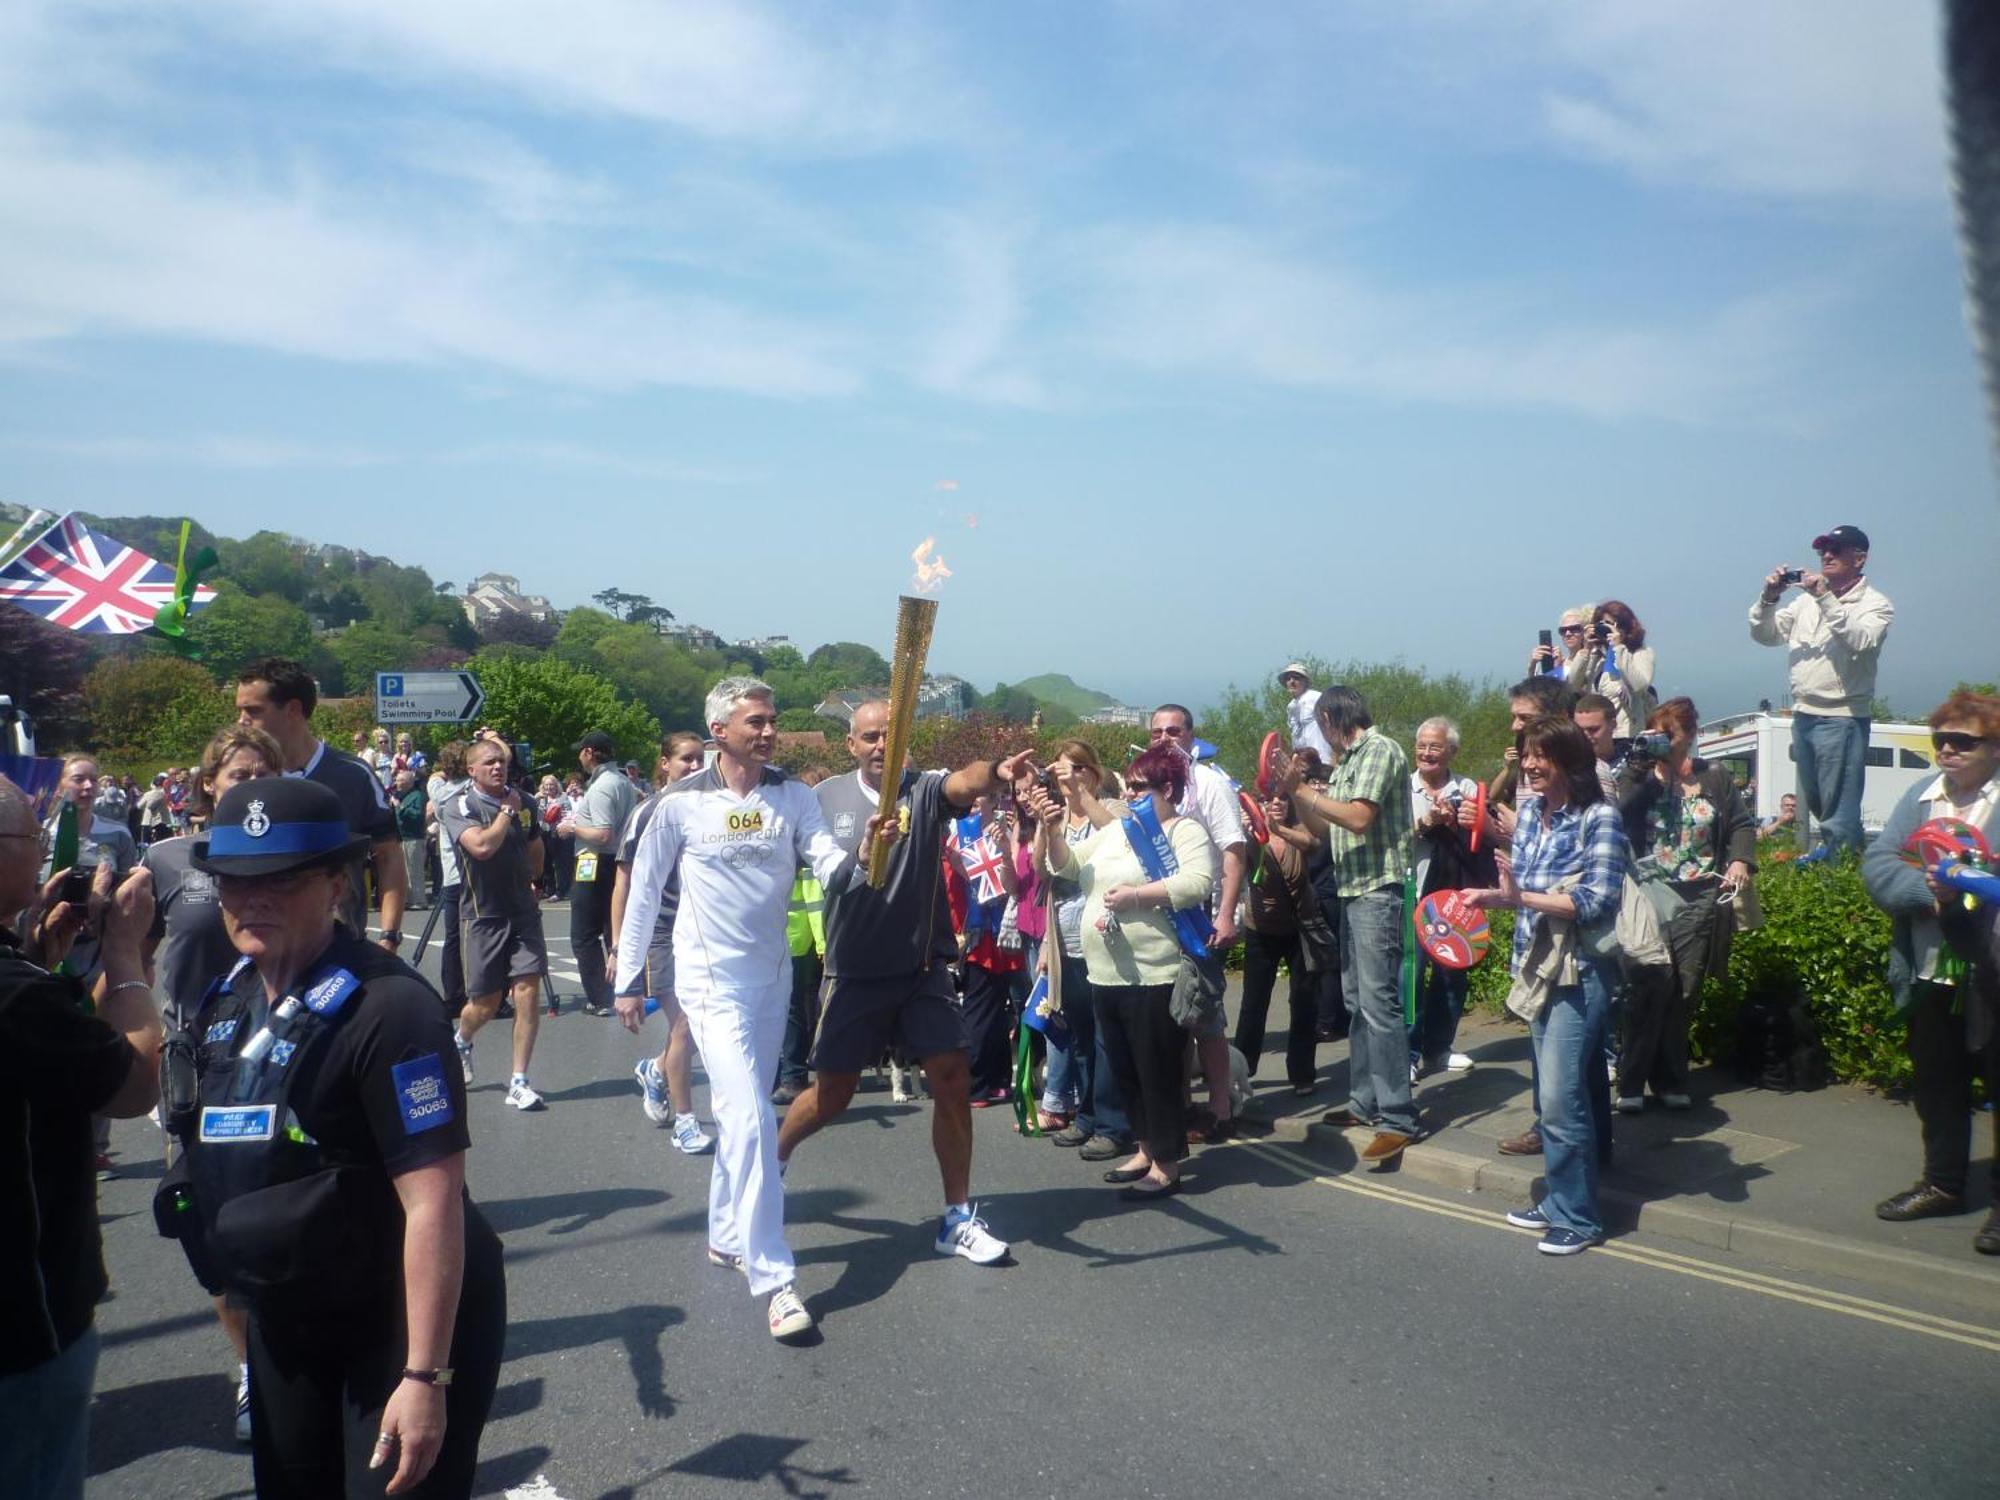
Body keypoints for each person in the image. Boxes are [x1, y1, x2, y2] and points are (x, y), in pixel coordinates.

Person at [166, 778, 505, 1496]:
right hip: (289, 1313)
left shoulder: (391, 1009)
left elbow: (433, 1202)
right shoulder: (232, 996)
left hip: (393, 1322)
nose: (252, 897)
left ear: (335, 884)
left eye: (281, 880)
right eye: (233, 881)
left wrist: (425, 1377)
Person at [615, 677, 860, 1341]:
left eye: (773, 719)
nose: (769, 730)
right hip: (708, 981)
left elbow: (828, 860)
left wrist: (869, 855)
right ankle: (774, 1277)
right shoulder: (677, 805)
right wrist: (629, 975)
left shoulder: (793, 795)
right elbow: (644, 892)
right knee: (752, 1117)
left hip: (770, 977)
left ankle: (726, 1234)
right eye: (756, 721)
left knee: (741, 1109)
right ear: (719, 731)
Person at [779, 699, 1034, 1262]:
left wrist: (996, 772)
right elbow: (821, 863)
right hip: (854, 969)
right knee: (832, 1094)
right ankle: (773, 1163)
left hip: (922, 967)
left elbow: (965, 784)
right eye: (868, 737)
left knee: (951, 1076)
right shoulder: (825, 800)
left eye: (888, 738)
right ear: (851, 744)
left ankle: (956, 1218)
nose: (879, 747)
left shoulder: (923, 789)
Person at [0, 778, 162, 1500]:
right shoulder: (18, 996)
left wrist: (39, 957)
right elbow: (133, 1086)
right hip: (23, 1328)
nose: (45, 860)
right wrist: (125, 952)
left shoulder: (24, 982)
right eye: (34, 840)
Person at [141, 723, 284, 1443]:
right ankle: (253, 1368)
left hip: (280, 1060)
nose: (246, 786)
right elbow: (128, 955)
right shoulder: (166, 860)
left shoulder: (296, 853)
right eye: (234, 776)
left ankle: (300, 1357)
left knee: (288, 1212)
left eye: (262, 775)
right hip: (194, 1075)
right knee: (211, 1230)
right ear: (207, 786)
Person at [1464, 717, 1629, 1255]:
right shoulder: (1532, 813)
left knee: (1561, 1100)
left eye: (1541, 756)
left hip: (1579, 972)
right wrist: (1499, 893)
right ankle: (1559, 1201)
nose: (1530, 766)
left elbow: (1596, 901)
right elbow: (1529, 885)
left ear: (1570, 760)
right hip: (1536, 966)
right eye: (1525, 754)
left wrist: (1517, 899)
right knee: (1555, 1097)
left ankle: (1579, 1218)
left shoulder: (1600, 817)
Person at [1037, 743, 1216, 1199]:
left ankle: (1168, 1163)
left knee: (1156, 1073)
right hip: (1105, 972)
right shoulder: (1119, 831)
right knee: (1126, 1071)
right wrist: (1051, 829)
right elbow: (1070, 866)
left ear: (1168, 788)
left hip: (1152, 973)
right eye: (1130, 787)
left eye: (1141, 788)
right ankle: (1144, 1148)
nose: (1132, 795)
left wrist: (1139, 897)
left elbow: (1197, 883)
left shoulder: (1183, 830)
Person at [1860, 690, 2000, 1253]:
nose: (1947, 749)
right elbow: (1877, 863)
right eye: (1939, 739)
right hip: (1930, 969)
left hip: (1992, 970)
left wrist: (1977, 886)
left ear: (1994, 747)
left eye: (1962, 741)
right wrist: (1929, 890)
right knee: (1937, 1084)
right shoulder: (1921, 796)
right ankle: (1942, 1184)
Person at [1280, 686, 1420, 1162]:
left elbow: (1359, 818)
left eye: (1321, 724)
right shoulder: (1345, 764)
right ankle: (1364, 1101)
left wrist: (1302, 790)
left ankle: (1398, 1114)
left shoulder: (1379, 750)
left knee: (1380, 1005)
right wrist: (1288, 805)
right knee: (1358, 1002)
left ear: (1333, 717)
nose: (1320, 734)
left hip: (1379, 890)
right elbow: (1321, 833)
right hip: (1353, 889)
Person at [1612, 696, 1755, 1113]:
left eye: (1670, 736)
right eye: (1657, 735)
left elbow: (1742, 823)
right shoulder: (1639, 776)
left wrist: (1741, 859)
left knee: (1683, 990)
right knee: (1648, 984)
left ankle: (1672, 1078)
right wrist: (1644, 771)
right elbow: (1617, 815)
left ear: (1690, 735)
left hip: (1700, 893)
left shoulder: (1715, 777)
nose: (1664, 743)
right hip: (1649, 893)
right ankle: (1632, 1081)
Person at [234, 657, 407, 955]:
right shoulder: (240, 779)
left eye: (253, 711)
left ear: (293, 710)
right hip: (259, 950)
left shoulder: (353, 775)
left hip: (339, 949)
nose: (241, 721)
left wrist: (389, 937)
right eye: (239, 710)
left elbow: (389, 857)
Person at [1749, 524, 1894, 855]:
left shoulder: (1876, 604)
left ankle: (1840, 884)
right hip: (1805, 714)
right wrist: (1768, 598)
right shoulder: (1805, 603)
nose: (1826, 556)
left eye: (1835, 550)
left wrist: (1825, 598)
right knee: (1818, 804)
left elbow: (1862, 642)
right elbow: (1766, 635)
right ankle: (1846, 868)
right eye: (1822, 551)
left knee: (1838, 814)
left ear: (1859, 558)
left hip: (1843, 717)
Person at [1032, 742, 1138, 1162]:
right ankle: (1089, 1115)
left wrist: (1082, 797)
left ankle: (1115, 1125)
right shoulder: (1059, 814)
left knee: (1106, 1037)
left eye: (1078, 767)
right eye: (1064, 768)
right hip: (1067, 941)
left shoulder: (1112, 808)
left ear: (1093, 773)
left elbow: (1121, 835)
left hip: (1105, 939)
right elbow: (1044, 871)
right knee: (1078, 1035)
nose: (1069, 775)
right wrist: (1046, 824)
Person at [611, 733, 715, 1156]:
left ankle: (656, 1070)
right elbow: (624, 883)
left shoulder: (712, 806)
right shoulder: (648, 811)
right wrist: (620, 949)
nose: (694, 767)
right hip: (659, 931)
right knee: (685, 1024)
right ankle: (686, 1123)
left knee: (699, 1028)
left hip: (703, 932)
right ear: (664, 764)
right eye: (686, 760)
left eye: (699, 760)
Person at [1147, 704, 1247, 1141]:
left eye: (1173, 730)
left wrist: (1225, 912)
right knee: (1173, 1015)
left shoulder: (1209, 783)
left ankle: (1220, 1107)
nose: (1165, 738)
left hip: (1201, 913)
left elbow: (1233, 851)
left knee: (1205, 1014)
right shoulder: (1150, 786)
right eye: (1157, 732)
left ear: (1190, 735)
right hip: (1160, 914)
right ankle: (1184, 1104)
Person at [442, 739, 551, 1111]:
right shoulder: (458, 805)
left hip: (522, 913)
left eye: (501, 761)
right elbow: (481, 847)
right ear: (471, 769)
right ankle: (462, 1039)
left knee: (527, 991)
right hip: (482, 914)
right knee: (485, 1003)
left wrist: (534, 874)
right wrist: (506, 813)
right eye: (488, 762)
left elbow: (535, 841)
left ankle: (519, 1081)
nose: (497, 767)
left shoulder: (525, 802)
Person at [1408, 717, 1487, 1080]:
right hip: (1414, 890)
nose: (1426, 753)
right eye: (1422, 745)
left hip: (1455, 894)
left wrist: (1470, 820)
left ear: (1451, 751)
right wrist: (1427, 822)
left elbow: (1483, 835)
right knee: (1410, 975)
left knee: (1452, 972)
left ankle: (1438, 1048)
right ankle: (1406, 1054)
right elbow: (1393, 839)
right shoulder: (1403, 788)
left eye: (1435, 747)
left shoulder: (1467, 787)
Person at [1233, 788, 1320, 1094]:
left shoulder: (1300, 828)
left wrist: (1276, 829)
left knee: (1304, 1001)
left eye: (1282, 798)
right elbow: (1233, 866)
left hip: (1300, 929)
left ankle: (1302, 1074)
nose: (1277, 803)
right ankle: (1242, 1071)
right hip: (1261, 929)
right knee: (1253, 1003)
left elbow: (1312, 845)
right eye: (1270, 799)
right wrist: (1248, 832)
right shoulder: (1247, 833)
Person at [952, 791, 1024, 1102]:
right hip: (979, 931)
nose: (974, 807)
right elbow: (959, 875)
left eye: (981, 801)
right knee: (980, 1007)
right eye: (970, 802)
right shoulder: (960, 835)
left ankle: (996, 1078)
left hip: (1002, 929)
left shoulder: (1003, 833)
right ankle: (977, 1082)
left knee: (996, 1009)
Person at [561, 731, 639, 1019]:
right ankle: (622, 988)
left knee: (583, 934)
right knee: (612, 928)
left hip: (594, 860)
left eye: (581, 751)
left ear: (590, 752)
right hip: (614, 861)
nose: (579, 756)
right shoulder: (621, 781)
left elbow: (604, 833)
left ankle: (601, 996)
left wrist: (571, 828)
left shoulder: (604, 785)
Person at [1569, 600, 1657, 743]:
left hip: (1626, 736)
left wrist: (1618, 648)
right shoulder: (1596, 657)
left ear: (1626, 627)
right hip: (1595, 738)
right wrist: (1585, 649)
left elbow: (1640, 685)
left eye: (1613, 624)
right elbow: (1573, 685)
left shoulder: (1640, 654)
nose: (1609, 629)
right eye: (1603, 624)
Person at [1571, 691, 1624, 800]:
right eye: (1579, 730)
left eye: (1593, 729)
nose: (1585, 736)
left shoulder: (1631, 765)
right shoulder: (1566, 767)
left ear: (1613, 725)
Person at [1279, 662, 1335, 764]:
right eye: (1288, 679)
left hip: (1322, 759)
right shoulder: (1290, 707)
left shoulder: (1316, 697)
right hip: (1304, 762)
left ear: (1305, 681)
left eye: (1296, 678)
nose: (1292, 681)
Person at [395, 768, 430, 911]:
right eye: (397, 780)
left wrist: (400, 807)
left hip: (414, 838)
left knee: (414, 870)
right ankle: (410, 899)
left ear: (408, 782)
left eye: (400, 780)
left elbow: (417, 815)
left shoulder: (417, 796)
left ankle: (420, 900)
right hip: (403, 837)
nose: (397, 783)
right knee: (406, 871)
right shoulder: (402, 795)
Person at [1527, 606, 1594, 680]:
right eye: (1563, 630)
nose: (1568, 634)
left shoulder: (1592, 660)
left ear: (1585, 631)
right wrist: (1532, 665)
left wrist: (1558, 669)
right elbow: (1538, 689)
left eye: (1574, 629)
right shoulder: (1561, 662)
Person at [138, 773, 173, 846]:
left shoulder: (148, 793)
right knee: (161, 844)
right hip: (160, 822)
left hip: (146, 821)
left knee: (145, 844)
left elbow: (139, 806)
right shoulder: (162, 793)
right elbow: (151, 805)